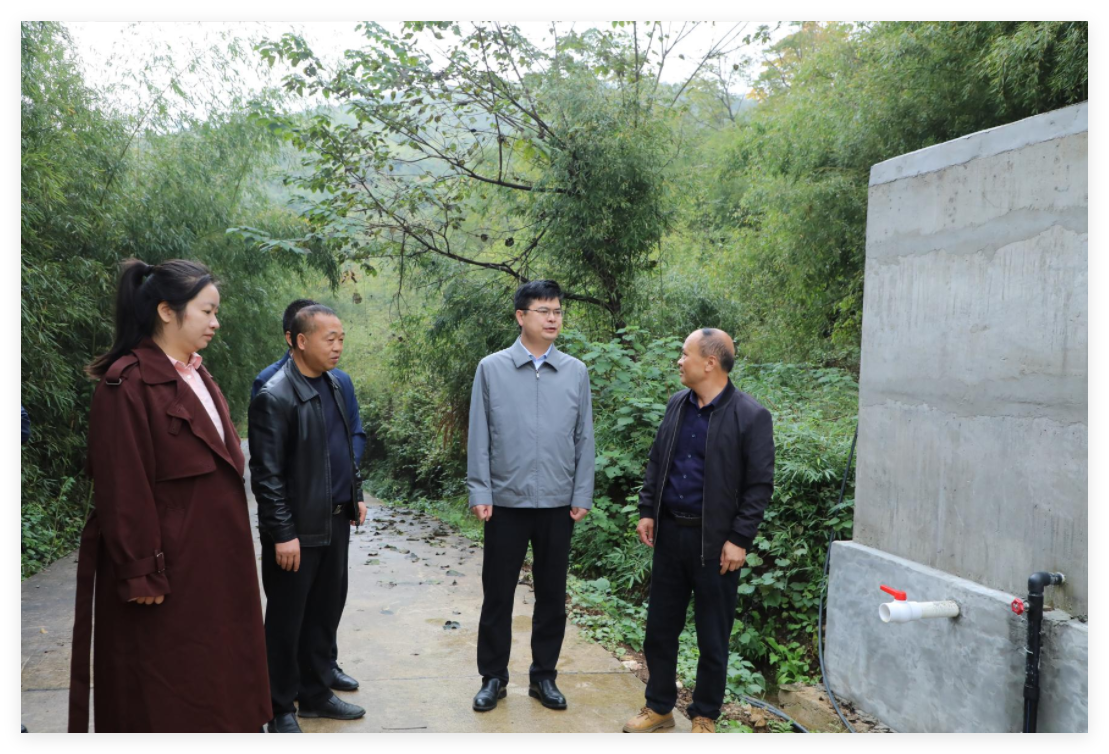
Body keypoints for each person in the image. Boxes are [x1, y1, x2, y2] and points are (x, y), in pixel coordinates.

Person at [69, 259, 271, 733]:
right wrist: (140, 569)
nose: (216, 322)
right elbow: (123, 484)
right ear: (166, 311)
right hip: (168, 574)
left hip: (215, 567)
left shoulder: (199, 375)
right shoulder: (126, 383)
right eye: (207, 311)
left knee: (220, 685)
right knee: (167, 694)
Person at [623, 329, 775, 735]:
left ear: (710, 362)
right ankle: (659, 707)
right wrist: (647, 510)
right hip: (671, 534)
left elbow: (759, 486)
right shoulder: (678, 404)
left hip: (717, 545)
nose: (679, 360)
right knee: (659, 629)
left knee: (712, 636)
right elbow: (658, 461)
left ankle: (705, 715)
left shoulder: (750, 415)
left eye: (684, 353)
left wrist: (739, 539)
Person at [468, 280, 595, 714]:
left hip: (558, 503)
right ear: (521, 316)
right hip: (505, 502)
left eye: (557, 311)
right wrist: (480, 489)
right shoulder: (492, 368)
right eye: (544, 311)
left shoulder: (575, 371)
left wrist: (582, 492)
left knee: (552, 596)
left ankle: (544, 677)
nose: (553, 318)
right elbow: (479, 434)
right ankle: (493, 677)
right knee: (498, 594)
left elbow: (584, 437)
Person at [250, 305, 368, 734]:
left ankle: (316, 694)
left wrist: (355, 494)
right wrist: (283, 533)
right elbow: (266, 475)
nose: (337, 347)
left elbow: (343, 445)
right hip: (296, 529)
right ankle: (279, 707)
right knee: (287, 620)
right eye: (329, 339)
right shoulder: (275, 394)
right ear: (300, 341)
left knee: (323, 612)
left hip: (334, 519)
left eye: (341, 339)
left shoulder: (334, 384)